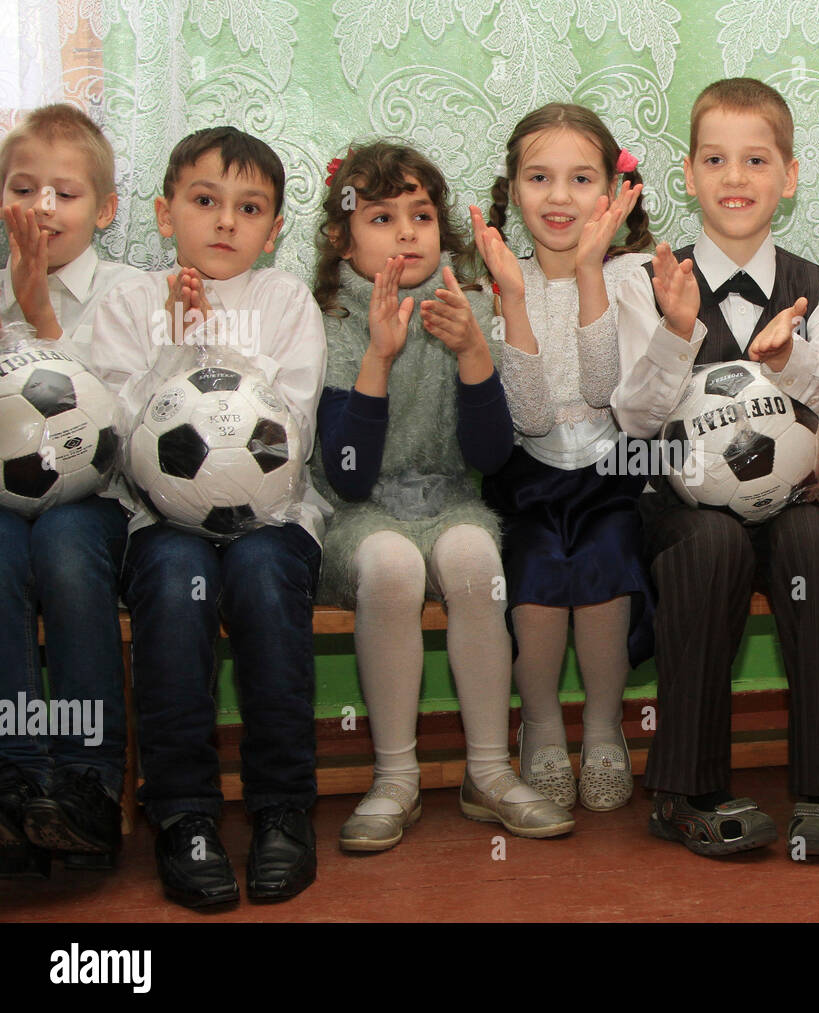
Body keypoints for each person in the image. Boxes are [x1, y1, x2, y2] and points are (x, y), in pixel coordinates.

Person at [613, 78, 819, 858]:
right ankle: (685, 791)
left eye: (756, 160)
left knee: (818, 548)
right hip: (683, 502)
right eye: (716, 160)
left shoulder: (816, 286)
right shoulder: (644, 278)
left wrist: (792, 361)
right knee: (711, 549)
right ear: (687, 174)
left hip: (791, 495)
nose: (735, 178)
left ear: (788, 177)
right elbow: (632, 419)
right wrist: (677, 331)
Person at [312, 141, 573, 850]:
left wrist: (474, 355)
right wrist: (377, 356)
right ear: (342, 237)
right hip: (362, 513)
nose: (406, 232)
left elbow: (489, 458)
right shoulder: (332, 318)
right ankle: (395, 776)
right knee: (391, 567)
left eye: (421, 215)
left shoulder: (469, 304)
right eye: (381, 217)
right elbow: (347, 476)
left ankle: (488, 770)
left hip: (454, 498)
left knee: (474, 556)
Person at [91, 127, 328, 907]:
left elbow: (288, 430)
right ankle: (183, 812)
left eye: (249, 207)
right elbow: (117, 437)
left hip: (271, 518)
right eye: (204, 201)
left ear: (273, 230)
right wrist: (174, 347)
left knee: (264, 585)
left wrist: (217, 351)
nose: (225, 221)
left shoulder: (286, 300)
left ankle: (282, 807)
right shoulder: (129, 301)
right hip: (161, 521)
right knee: (172, 586)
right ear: (166, 214)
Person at [470, 103, 654, 813]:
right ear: (514, 189)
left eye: (581, 178)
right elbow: (533, 417)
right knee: (539, 563)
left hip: (612, 476)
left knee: (609, 552)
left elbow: (605, 390)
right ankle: (542, 724)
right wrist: (515, 301)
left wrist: (586, 274)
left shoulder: (628, 277)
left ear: (610, 192)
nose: (558, 196)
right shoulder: (497, 280)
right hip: (528, 480)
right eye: (539, 177)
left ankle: (605, 724)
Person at [0, 104, 140, 878]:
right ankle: (16, 775)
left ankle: (85, 782)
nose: (45, 208)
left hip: (95, 505)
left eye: (66, 192)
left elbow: (112, 426)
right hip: (4, 509)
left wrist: (38, 314)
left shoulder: (127, 294)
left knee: (62, 547)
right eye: (26, 189)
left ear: (106, 209)